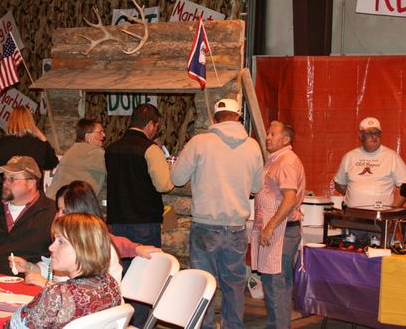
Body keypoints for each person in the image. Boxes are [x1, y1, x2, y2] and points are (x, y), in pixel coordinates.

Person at [170, 98, 264, 329]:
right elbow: (256, 187)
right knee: (234, 285)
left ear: (214, 118)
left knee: (203, 284)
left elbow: (177, 178)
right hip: (236, 227)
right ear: (238, 116)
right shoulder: (252, 146)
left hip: (205, 225)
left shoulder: (200, 142)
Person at [11, 181, 161, 286]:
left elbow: (82, 295)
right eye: (58, 210)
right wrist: (30, 267)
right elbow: (55, 271)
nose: (58, 216)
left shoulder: (96, 248)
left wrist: (46, 285)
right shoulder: (73, 242)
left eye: (64, 211)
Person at [5, 213, 121, 329]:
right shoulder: (111, 285)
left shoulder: (58, 296)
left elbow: (12, 326)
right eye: (55, 240)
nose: (51, 247)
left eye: (61, 242)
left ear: (83, 248)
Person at [249, 121, 305, 329]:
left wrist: (270, 227)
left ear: (286, 139)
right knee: (272, 284)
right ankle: (276, 325)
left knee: (277, 285)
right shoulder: (275, 160)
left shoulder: (287, 161)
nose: (268, 137)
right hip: (275, 231)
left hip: (281, 232)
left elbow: (289, 199)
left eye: (273, 134)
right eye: (268, 134)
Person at [105, 103, 173, 247]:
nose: (156, 130)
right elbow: (163, 185)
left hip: (117, 219)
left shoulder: (111, 149)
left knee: (122, 267)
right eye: (156, 126)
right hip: (144, 222)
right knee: (145, 267)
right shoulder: (151, 149)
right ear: (149, 124)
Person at [0, 156, 56, 274]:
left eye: (12, 179)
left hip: (27, 283)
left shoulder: (52, 213)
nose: (5, 183)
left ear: (31, 183)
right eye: (4, 178)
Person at [0, 105, 58, 203]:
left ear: (10, 121)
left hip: (1, 201)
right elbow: (52, 163)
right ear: (31, 123)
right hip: (31, 202)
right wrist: (42, 137)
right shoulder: (40, 146)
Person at [334, 117, 406, 208]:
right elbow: (339, 183)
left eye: (377, 133)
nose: (374, 136)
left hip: (380, 216)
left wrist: (393, 209)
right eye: (369, 133)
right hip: (352, 215)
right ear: (361, 135)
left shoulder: (392, 156)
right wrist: (355, 193)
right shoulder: (349, 157)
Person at [46, 118, 107, 199]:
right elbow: (116, 168)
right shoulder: (92, 152)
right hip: (66, 205)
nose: (104, 135)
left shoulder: (76, 149)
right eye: (100, 132)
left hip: (55, 201)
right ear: (87, 136)